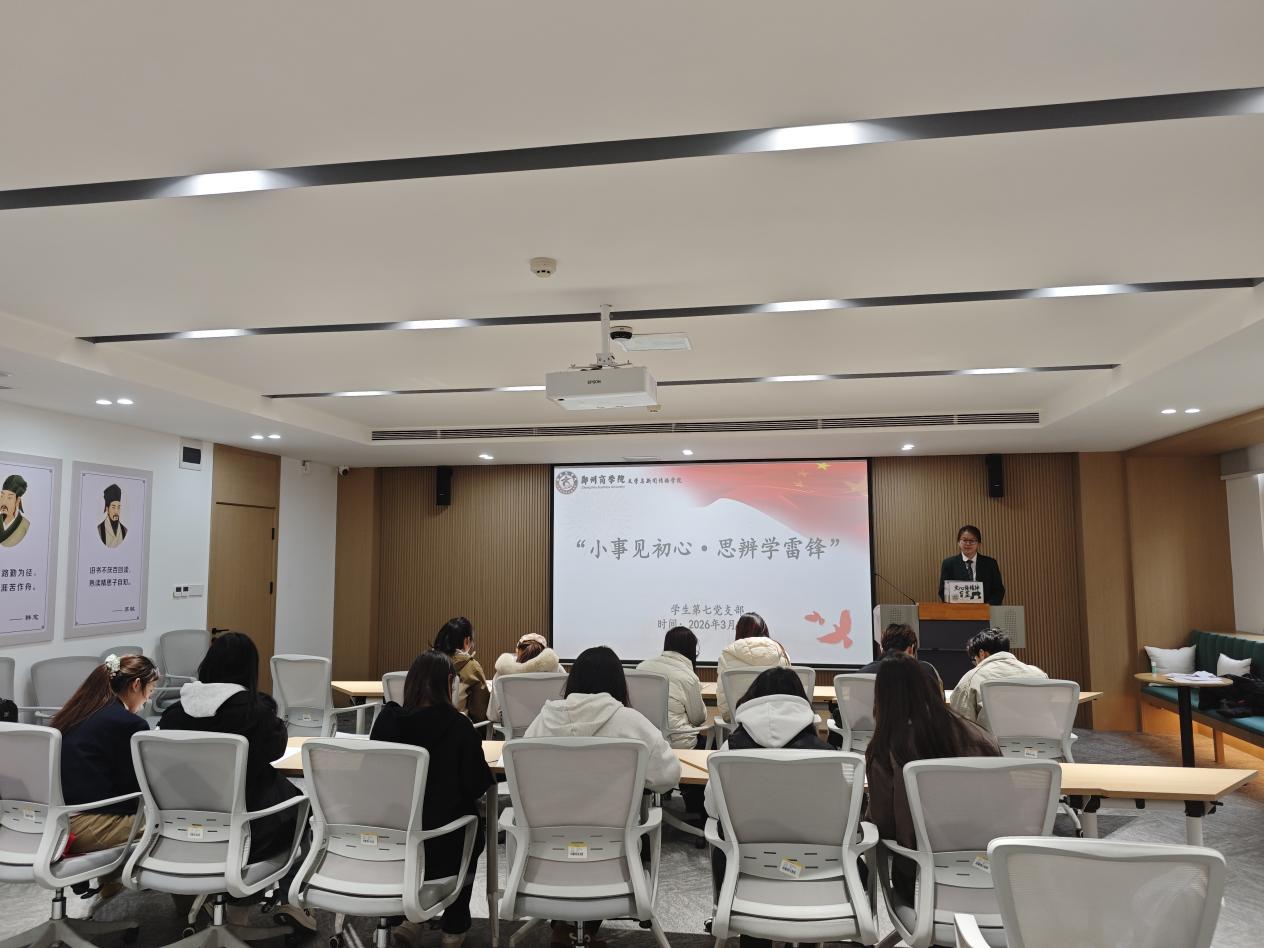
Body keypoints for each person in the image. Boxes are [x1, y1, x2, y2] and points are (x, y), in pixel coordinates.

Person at [524, 646, 681, 948]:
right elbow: (668, 776)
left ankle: (566, 927)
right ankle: (579, 928)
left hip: (547, 855)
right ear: (618, 683)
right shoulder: (631, 723)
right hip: (614, 856)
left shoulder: (543, 721)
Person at [158, 632, 315, 933]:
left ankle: (190, 897)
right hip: (247, 833)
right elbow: (276, 749)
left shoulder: (173, 714)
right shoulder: (254, 714)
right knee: (299, 807)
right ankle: (288, 902)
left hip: (180, 831)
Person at [704, 667, 835, 948]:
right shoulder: (827, 756)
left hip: (745, 876)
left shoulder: (731, 750)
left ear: (752, 700)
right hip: (814, 877)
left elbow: (712, 808)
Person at [371, 650, 493, 948]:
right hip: (444, 840)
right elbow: (476, 785)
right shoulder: (458, 726)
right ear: (450, 683)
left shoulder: (387, 720)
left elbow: (372, 775)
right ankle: (454, 926)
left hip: (392, 834)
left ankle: (410, 919)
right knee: (474, 824)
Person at [866, 652, 1000, 901]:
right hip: (992, 871)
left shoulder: (889, 747)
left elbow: (885, 824)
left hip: (919, 875)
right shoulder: (981, 737)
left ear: (883, 697)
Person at [50, 653, 159, 907]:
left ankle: (111, 884)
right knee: (171, 824)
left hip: (55, 821)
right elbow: (133, 790)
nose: (149, 698)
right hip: (85, 826)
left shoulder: (77, 714)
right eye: (150, 690)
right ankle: (189, 908)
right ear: (136, 685)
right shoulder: (129, 724)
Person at [949, 628, 1048, 727]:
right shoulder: (1039, 675)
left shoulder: (971, 679)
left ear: (982, 654)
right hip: (1041, 735)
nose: (976, 664)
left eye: (975, 659)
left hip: (992, 737)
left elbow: (961, 726)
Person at [635, 626, 707, 750]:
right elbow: (698, 719)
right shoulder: (689, 677)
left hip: (645, 741)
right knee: (715, 742)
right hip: (678, 743)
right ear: (690, 650)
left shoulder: (641, 667)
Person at [715, 612, 790, 723]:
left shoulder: (727, 655)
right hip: (777, 719)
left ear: (739, 630)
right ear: (764, 630)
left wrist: (729, 716)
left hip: (740, 720)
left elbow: (724, 701)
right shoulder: (781, 653)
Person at [486, 633, 561, 723]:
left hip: (513, 731)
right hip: (549, 729)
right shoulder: (558, 670)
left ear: (517, 651)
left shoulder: (502, 673)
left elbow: (493, 715)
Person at [434, 617, 490, 724]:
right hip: (454, 729)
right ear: (467, 641)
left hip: (419, 728)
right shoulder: (471, 667)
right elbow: (480, 713)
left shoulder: (424, 662)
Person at [858, 623, 942, 689]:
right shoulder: (927, 670)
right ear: (911, 649)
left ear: (882, 649)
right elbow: (939, 702)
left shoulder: (862, 674)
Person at [938, 524, 1004, 605]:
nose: (968, 543)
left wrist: (987, 606)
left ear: (979, 544)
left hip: (985, 610)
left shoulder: (990, 563)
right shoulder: (948, 564)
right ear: (958, 542)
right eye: (964, 540)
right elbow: (943, 591)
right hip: (958, 610)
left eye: (972, 540)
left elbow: (998, 590)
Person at [0, 473, 30, 547]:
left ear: (17, 501)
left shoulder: (25, 525)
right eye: (2, 496)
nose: (3, 502)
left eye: (9, 498)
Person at [98, 483, 128, 548]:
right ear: (107, 509)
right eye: (113, 507)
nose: (116, 511)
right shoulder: (99, 530)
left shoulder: (124, 530)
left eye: (118, 507)